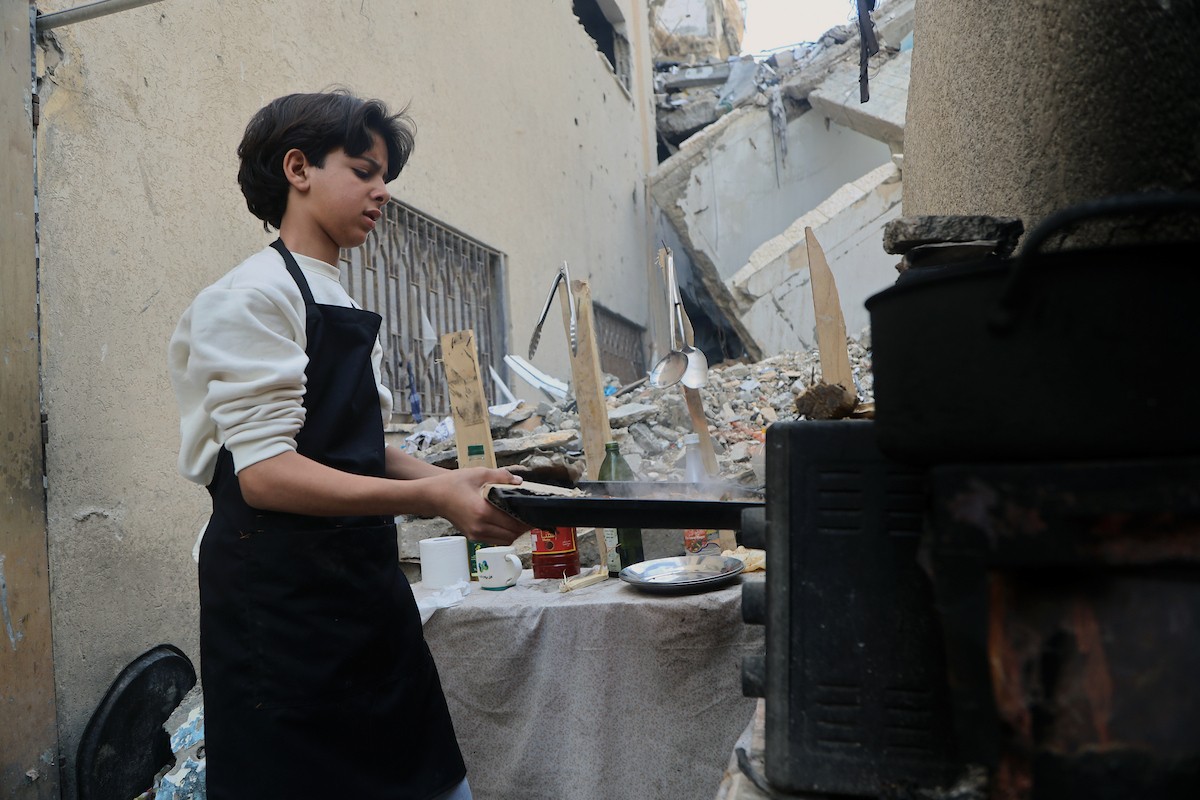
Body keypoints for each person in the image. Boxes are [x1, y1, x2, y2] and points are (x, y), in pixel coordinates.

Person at [168, 90, 529, 800]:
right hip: (281, 606)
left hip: (360, 586)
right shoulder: (248, 297)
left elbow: (354, 446)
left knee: (416, 769)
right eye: (364, 170)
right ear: (298, 168)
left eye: (383, 175)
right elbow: (266, 474)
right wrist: (431, 495)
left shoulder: (332, 295)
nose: (381, 190)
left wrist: (456, 479)